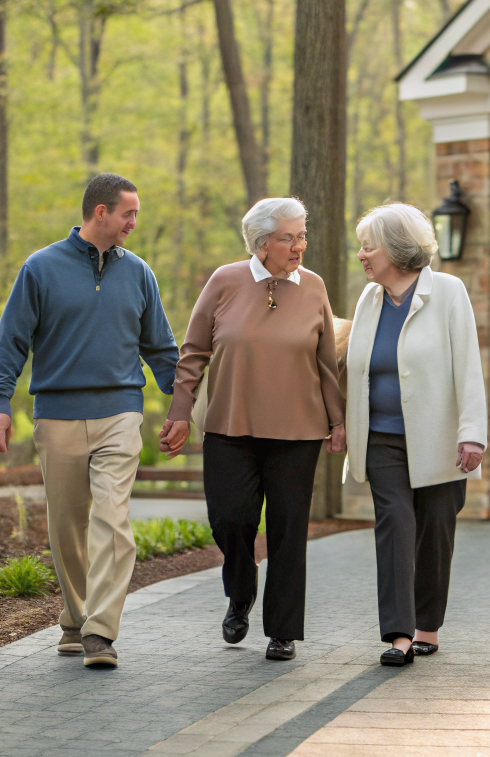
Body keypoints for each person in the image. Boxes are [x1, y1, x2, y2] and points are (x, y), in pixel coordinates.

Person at [0, 174, 178, 669]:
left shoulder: (139, 273)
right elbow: (12, 340)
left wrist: (185, 405)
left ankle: (100, 633)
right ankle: (75, 619)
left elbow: (161, 348)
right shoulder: (41, 268)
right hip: (58, 415)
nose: (135, 222)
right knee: (67, 526)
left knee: (113, 521)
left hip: (120, 412)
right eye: (128, 213)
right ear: (100, 213)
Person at [161, 197, 346, 662]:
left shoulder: (314, 287)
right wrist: (181, 411)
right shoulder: (225, 280)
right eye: (289, 237)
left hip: (298, 430)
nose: (299, 245)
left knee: (288, 530)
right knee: (230, 517)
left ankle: (282, 630)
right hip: (230, 424)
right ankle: (240, 592)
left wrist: (337, 419)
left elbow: (326, 361)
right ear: (262, 244)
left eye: (302, 235)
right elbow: (194, 350)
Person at [344, 203, 486, 667]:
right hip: (381, 437)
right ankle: (399, 635)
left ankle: (428, 627)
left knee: (435, 531)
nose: (361, 255)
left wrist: (472, 435)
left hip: (439, 439)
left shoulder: (447, 291)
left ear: (396, 248)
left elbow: (467, 366)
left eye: (369, 246)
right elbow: (355, 370)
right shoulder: (369, 300)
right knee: (396, 525)